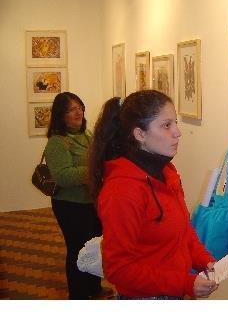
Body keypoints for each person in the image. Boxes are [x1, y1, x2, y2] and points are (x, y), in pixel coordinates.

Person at [88, 90, 218, 299]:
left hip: (172, 292)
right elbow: (118, 269)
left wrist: (206, 261)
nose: (177, 132)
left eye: (175, 123)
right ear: (140, 134)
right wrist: (184, 283)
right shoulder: (121, 190)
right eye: (166, 125)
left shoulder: (167, 172)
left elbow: (183, 231)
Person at [45, 92, 102, 299]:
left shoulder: (87, 135)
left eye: (80, 107)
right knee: (78, 249)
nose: (78, 112)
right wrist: (94, 170)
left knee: (95, 246)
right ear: (61, 115)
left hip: (91, 202)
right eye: (71, 109)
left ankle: (94, 288)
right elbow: (63, 176)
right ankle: (78, 295)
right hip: (70, 205)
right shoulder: (57, 142)